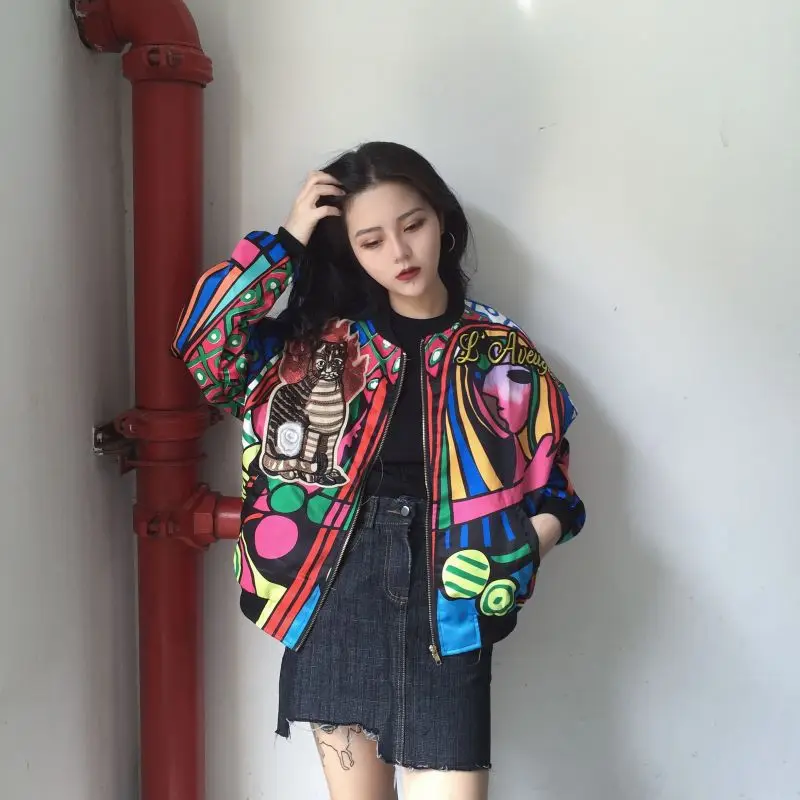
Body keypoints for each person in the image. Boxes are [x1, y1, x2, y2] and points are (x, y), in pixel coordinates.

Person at [172, 142, 586, 800]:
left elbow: (553, 483)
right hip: (333, 586)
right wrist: (287, 242)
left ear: (442, 220)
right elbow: (205, 343)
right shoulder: (318, 349)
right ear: (352, 252)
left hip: (451, 596)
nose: (400, 251)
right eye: (371, 240)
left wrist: (521, 549)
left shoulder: (500, 352)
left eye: (413, 224)